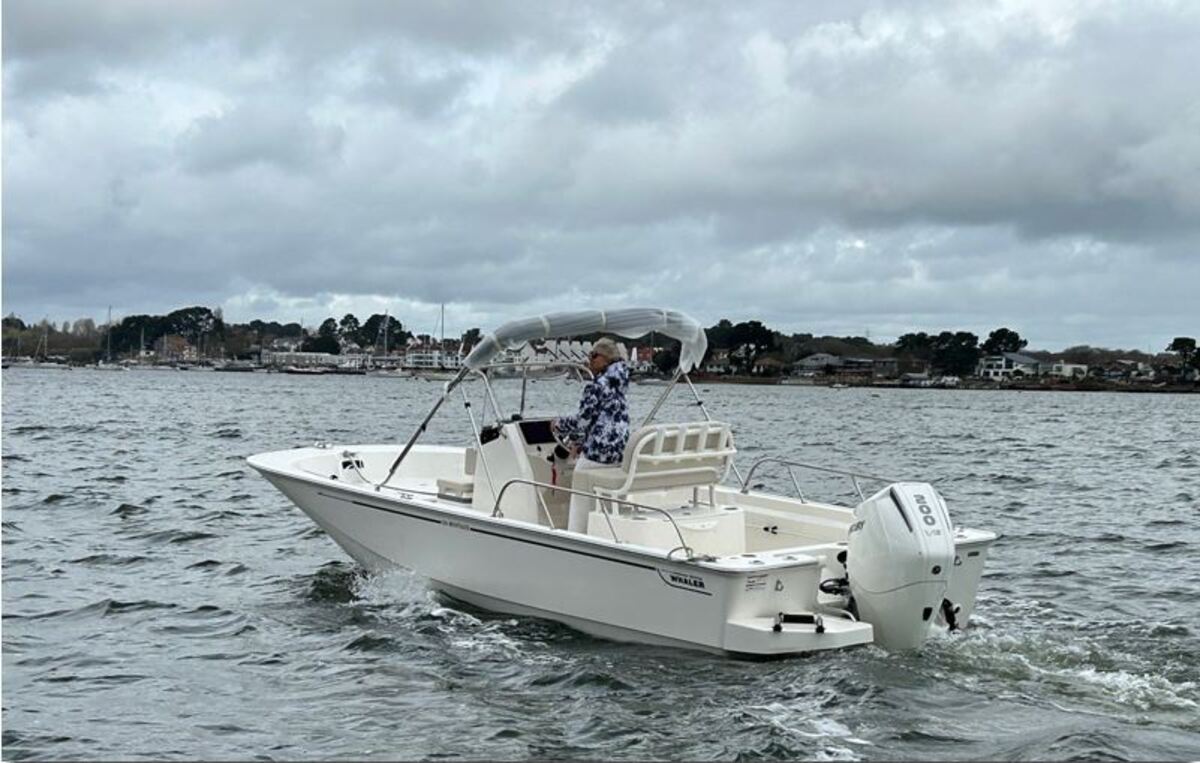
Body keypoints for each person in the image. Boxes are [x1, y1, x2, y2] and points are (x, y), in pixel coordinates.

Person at [552, 337, 630, 532]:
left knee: (579, 484)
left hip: (597, 454)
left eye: (593, 356)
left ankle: (576, 533)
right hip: (619, 453)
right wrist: (579, 442)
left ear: (606, 358)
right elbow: (603, 419)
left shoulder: (596, 386)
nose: (589, 360)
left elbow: (582, 421)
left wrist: (557, 425)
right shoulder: (621, 383)